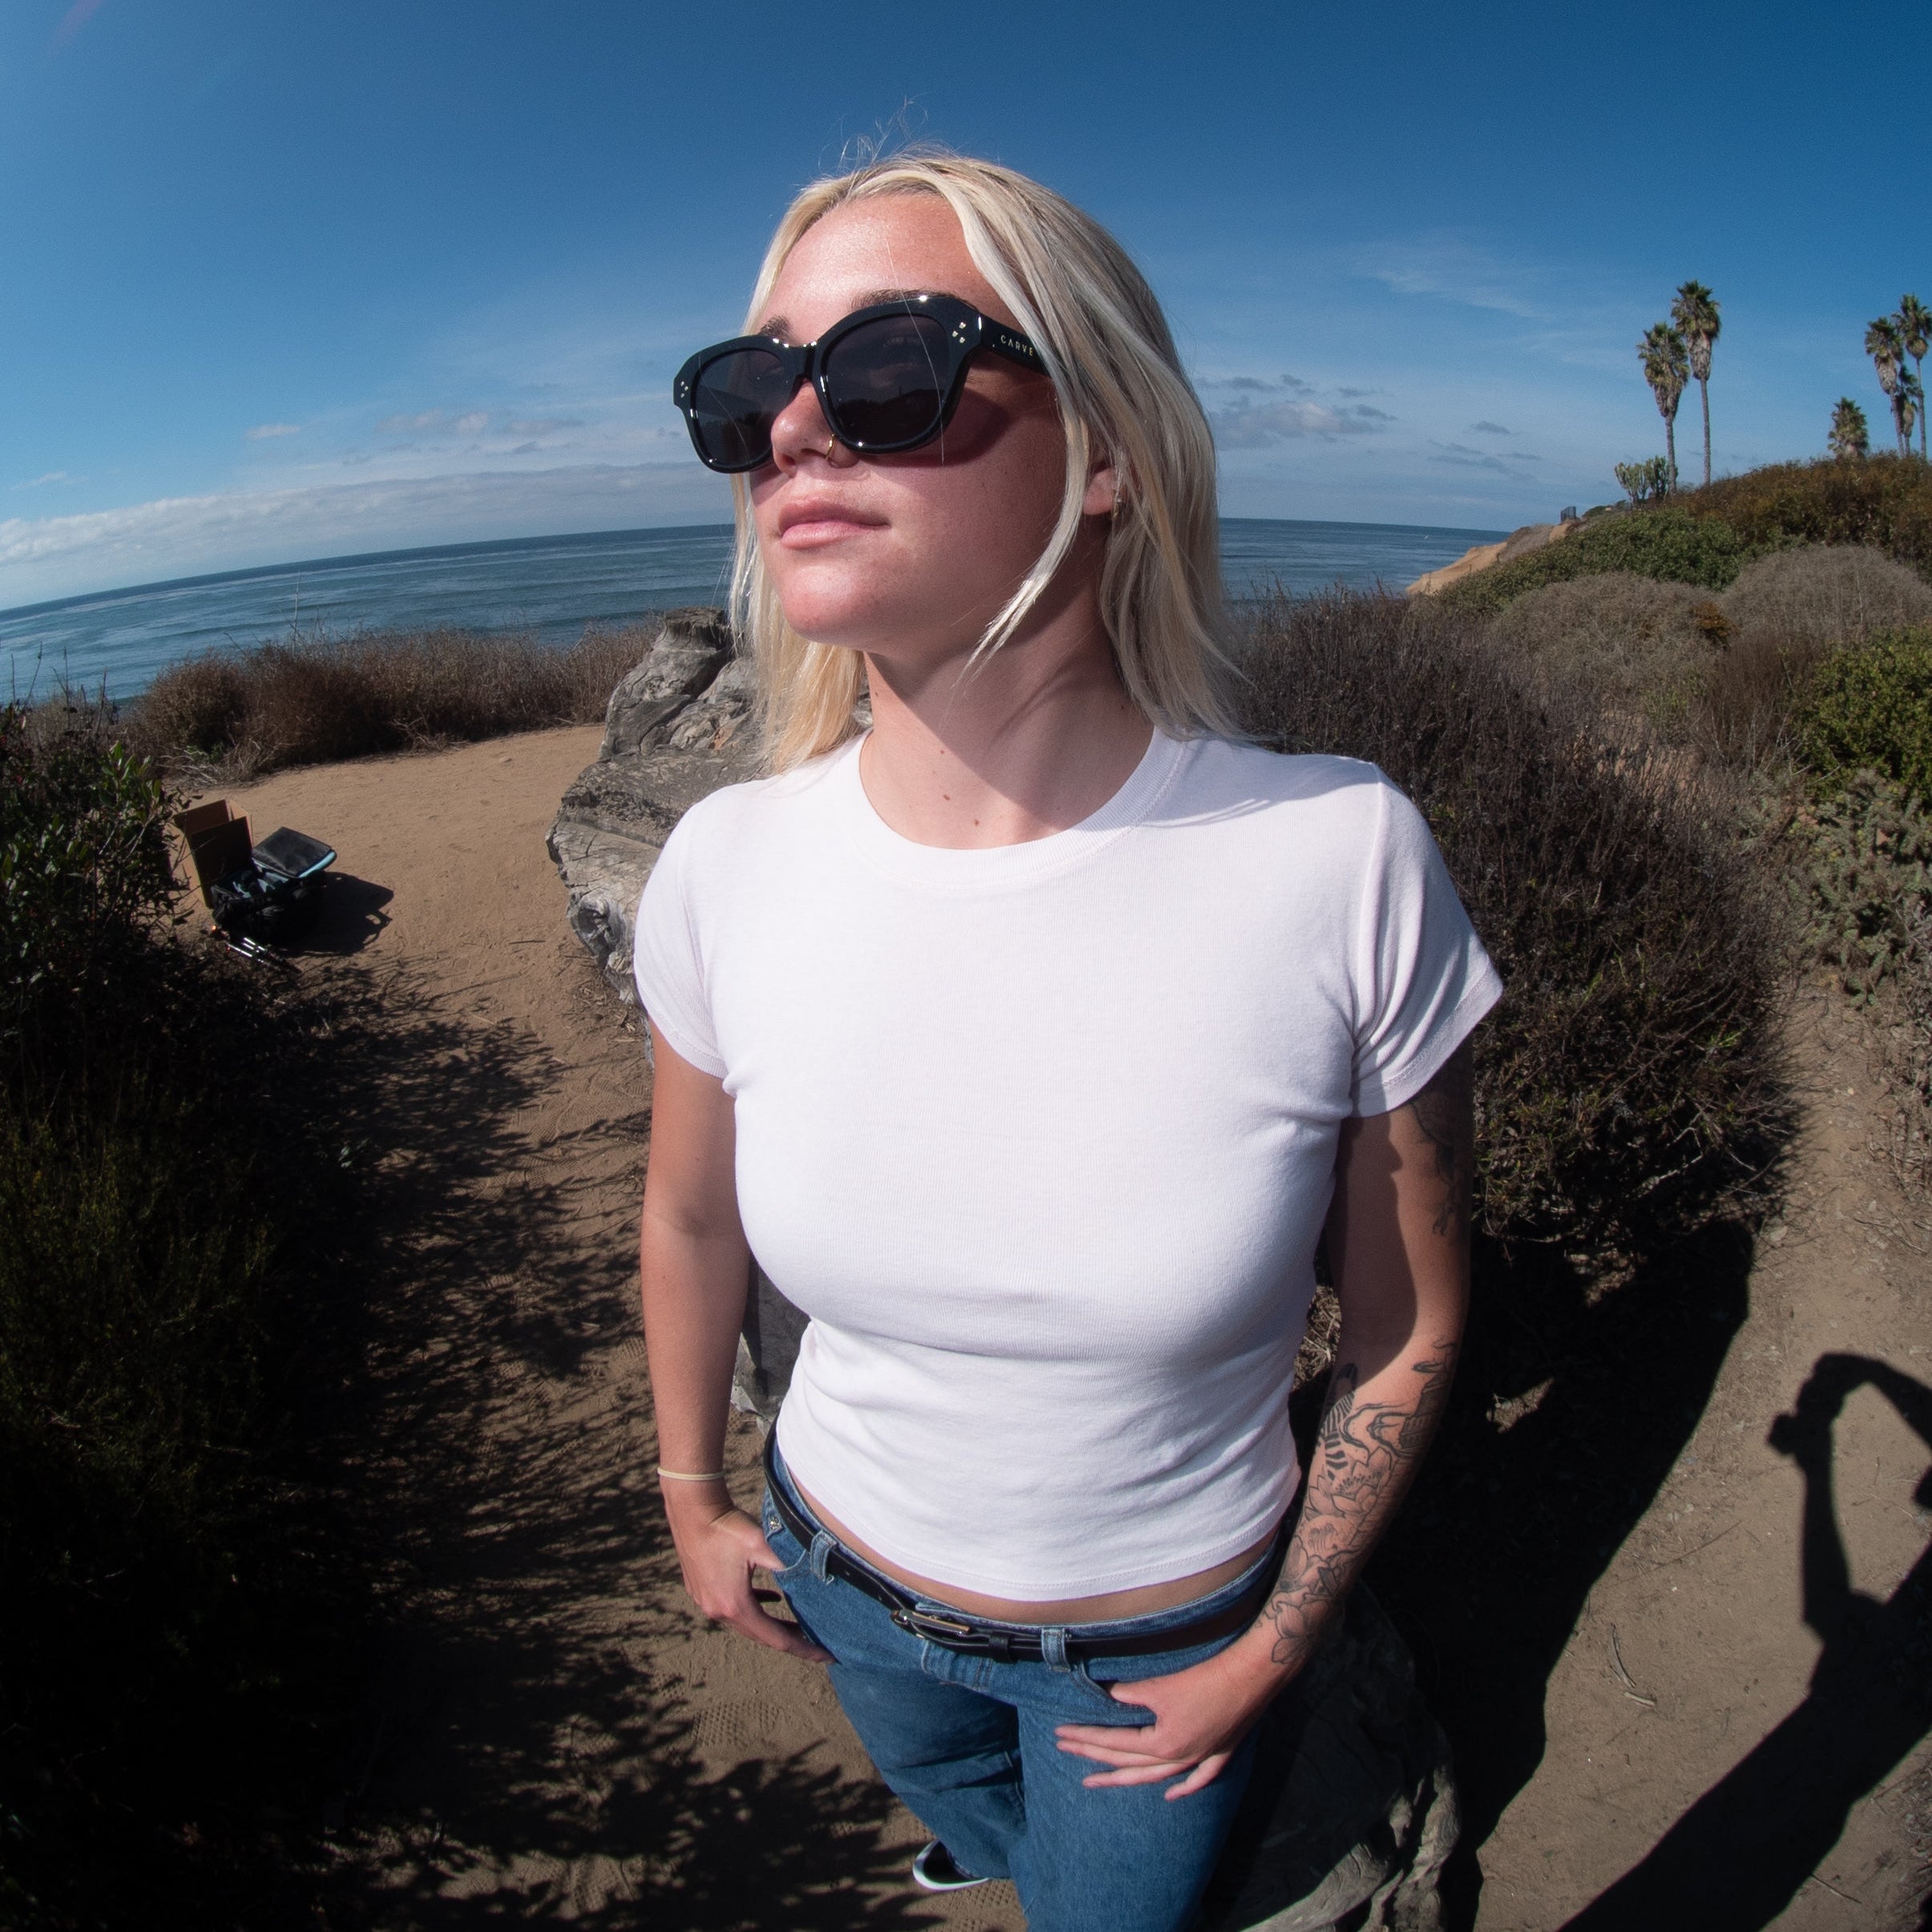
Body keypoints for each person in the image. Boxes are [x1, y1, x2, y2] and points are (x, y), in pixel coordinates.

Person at [635, 151, 1501, 1932]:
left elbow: (1406, 1328)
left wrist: (1274, 1651)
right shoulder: (725, 865)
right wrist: (692, 1493)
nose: (792, 429)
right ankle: (976, 1822)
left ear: (1108, 453)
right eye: (752, 384)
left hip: (1158, 1657)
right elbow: (689, 1219)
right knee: (952, 1794)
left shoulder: (1337, 862)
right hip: (841, 1579)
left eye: (888, 366)